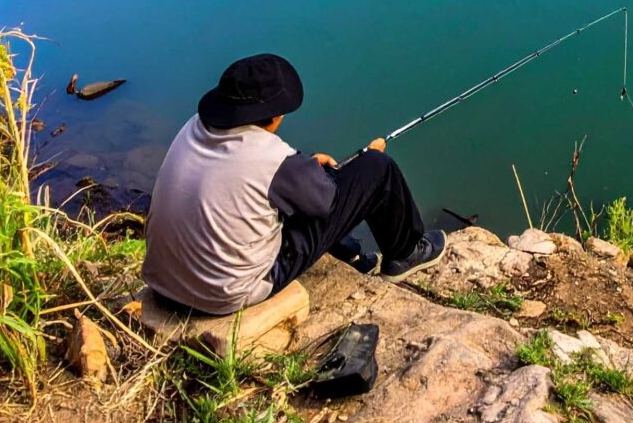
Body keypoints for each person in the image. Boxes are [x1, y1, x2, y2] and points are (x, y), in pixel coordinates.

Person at [142, 53, 446, 315]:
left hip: (163, 283)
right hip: (224, 296)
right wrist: (360, 162)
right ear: (275, 116)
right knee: (376, 168)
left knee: (293, 194)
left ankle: (350, 253)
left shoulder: (193, 128)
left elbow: (244, 180)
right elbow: (326, 202)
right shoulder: (271, 158)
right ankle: (406, 252)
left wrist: (307, 168)